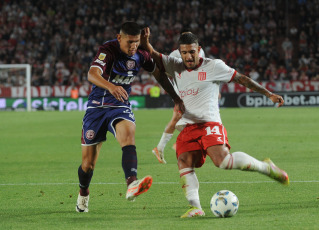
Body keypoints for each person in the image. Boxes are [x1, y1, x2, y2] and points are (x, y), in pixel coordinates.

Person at [141, 28, 289, 218]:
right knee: (184, 162)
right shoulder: (174, 65)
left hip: (209, 123)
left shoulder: (214, 66)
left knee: (223, 161)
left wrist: (268, 94)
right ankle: (196, 207)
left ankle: (266, 167)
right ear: (180, 52)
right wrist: (145, 41)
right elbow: (152, 54)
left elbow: (242, 79)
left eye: (191, 52)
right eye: (184, 52)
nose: (188, 56)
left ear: (198, 49)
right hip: (187, 126)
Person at [76, 22, 184, 213]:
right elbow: (92, 74)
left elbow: (159, 74)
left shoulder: (141, 54)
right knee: (88, 164)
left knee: (128, 135)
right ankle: (83, 192)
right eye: (130, 42)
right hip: (97, 108)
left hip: (120, 106)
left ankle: (132, 183)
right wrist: (110, 86)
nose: (133, 46)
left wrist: (176, 98)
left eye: (136, 42)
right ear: (119, 38)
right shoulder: (108, 50)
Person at [152, 28, 206, 164]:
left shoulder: (200, 51)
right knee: (186, 118)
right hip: (182, 91)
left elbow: (203, 69)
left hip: (197, 89)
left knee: (179, 118)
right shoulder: (175, 54)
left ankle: (163, 147)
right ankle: (177, 145)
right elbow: (169, 72)